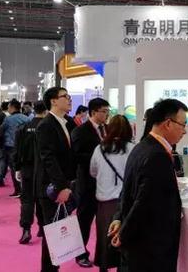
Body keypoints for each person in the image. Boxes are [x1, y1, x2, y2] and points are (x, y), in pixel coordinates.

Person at [109, 99, 188, 272]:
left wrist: (119, 218)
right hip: (151, 248)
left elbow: (127, 190)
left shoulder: (141, 147)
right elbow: (143, 202)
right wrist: (124, 232)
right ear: (168, 123)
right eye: (183, 125)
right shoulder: (157, 155)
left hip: (141, 246)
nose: (185, 131)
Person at [35, 87, 77, 272]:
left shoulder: (67, 122)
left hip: (67, 184)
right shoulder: (46, 125)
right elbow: (48, 158)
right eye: (65, 96)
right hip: (52, 188)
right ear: (53, 101)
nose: (69, 99)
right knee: (53, 234)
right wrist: (61, 187)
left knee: (59, 231)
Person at [89, 114, 134, 272]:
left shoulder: (99, 149)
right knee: (125, 241)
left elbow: (93, 171)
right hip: (126, 202)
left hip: (105, 203)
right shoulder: (132, 149)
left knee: (104, 239)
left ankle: (104, 267)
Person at [71, 97, 111, 268]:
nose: (107, 115)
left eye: (108, 111)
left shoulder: (108, 129)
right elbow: (75, 156)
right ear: (93, 112)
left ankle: (105, 255)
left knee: (105, 221)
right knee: (84, 220)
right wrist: (99, 156)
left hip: (107, 184)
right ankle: (80, 253)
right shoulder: (80, 131)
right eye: (104, 111)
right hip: (87, 183)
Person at [14, 101, 47, 244]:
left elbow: (17, 149)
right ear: (46, 110)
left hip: (26, 168)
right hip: (43, 169)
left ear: (34, 109)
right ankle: (42, 227)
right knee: (42, 199)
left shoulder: (24, 127)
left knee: (27, 200)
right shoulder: (47, 127)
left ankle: (26, 229)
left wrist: (17, 167)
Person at [0, 99, 30, 196]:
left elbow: (1, 130)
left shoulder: (8, 119)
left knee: (14, 168)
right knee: (24, 167)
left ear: (12, 107)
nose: (8, 109)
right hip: (25, 146)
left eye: (9, 107)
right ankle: (25, 189)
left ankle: (18, 190)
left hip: (11, 146)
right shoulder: (26, 118)